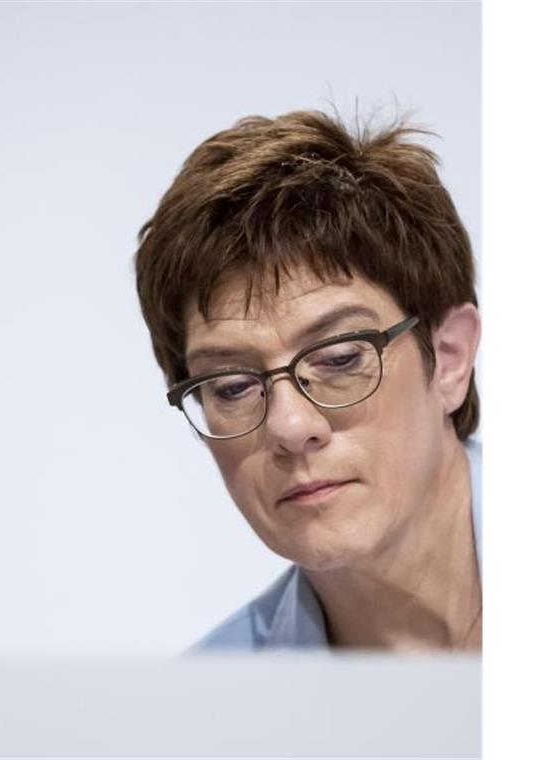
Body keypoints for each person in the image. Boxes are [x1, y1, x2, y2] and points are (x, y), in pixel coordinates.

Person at [134, 110, 481, 651]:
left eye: (341, 358)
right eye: (231, 386)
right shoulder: (199, 720)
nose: (290, 426)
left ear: (450, 357)